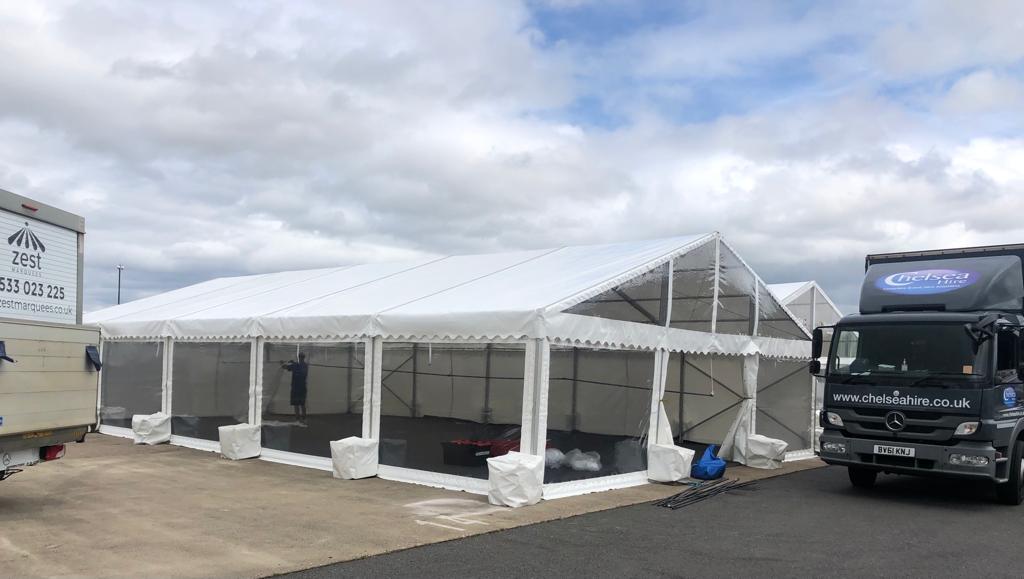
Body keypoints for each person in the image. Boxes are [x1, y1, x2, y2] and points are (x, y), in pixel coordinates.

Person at [282, 353, 309, 424]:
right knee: (300, 404)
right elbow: (296, 366)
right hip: (301, 388)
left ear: (300, 358)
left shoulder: (296, 365)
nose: (300, 359)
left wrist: (282, 363)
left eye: (300, 357)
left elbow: (285, 367)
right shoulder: (304, 365)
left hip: (297, 388)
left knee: (297, 404)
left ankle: (299, 418)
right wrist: (292, 363)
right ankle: (302, 418)